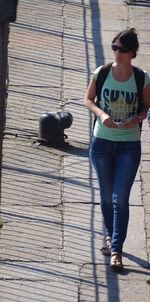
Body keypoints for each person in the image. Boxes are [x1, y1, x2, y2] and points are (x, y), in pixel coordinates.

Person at [84, 28, 150, 271]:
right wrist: (101, 115)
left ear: (132, 53)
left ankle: (116, 250)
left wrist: (139, 117)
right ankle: (111, 237)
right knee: (105, 197)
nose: (116, 52)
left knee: (120, 199)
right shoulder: (101, 73)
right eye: (113, 47)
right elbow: (88, 99)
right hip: (101, 143)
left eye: (121, 49)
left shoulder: (141, 78)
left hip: (129, 146)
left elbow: (148, 108)